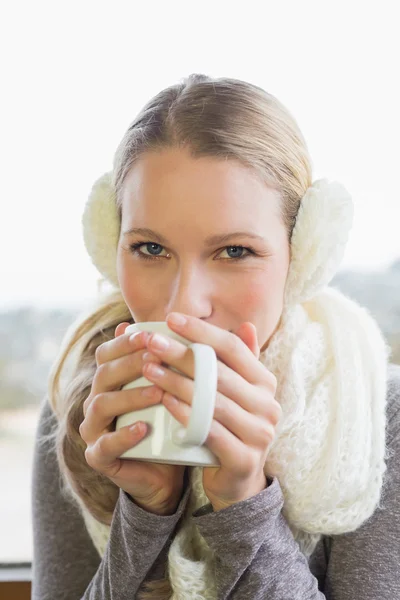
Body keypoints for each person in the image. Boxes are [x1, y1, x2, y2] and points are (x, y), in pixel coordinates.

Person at [31, 73, 400, 599]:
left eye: (234, 252)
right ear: (110, 245)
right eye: (150, 249)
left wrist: (245, 504)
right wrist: (145, 512)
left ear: (304, 256)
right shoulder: (78, 409)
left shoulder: (381, 417)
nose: (185, 304)